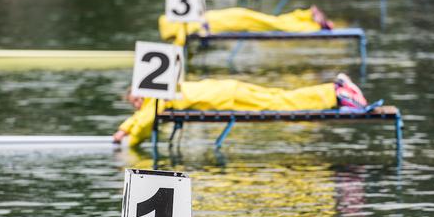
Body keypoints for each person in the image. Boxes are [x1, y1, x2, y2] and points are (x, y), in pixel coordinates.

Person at [112, 73, 374, 147]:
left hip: (229, 98)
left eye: (137, 100)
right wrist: (131, 126)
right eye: (134, 103)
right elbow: (145, 115)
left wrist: (125, 134)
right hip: (229, 90)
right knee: (280, 97)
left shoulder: (159, 97)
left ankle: (334, 92)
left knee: (279, 104)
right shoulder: (164, 91)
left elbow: (146, 119)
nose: (138, 105)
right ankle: (334, 88)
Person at [159, 5, 334, 46]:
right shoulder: (190, 20)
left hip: (239, 20)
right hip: (237, 15)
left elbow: (180, 44)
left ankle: (314, 25)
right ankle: (305, 15)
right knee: (273, 21)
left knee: (275, 25)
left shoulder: (186, 27)